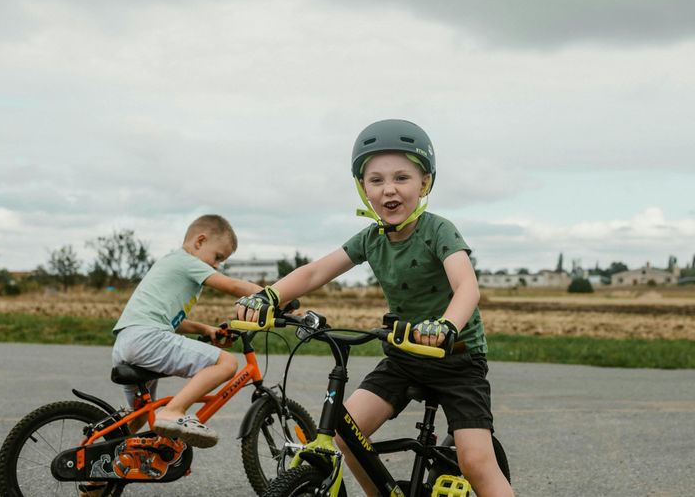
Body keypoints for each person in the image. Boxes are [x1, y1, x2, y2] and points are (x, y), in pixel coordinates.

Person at [235, 120, 513, 497]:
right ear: (363, 188)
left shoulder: (438, 231)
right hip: (403, 357)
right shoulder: (371, 238)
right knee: (347, 436)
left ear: (424, 183)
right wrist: (268, 297)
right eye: (376, 180)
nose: (389, 189)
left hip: (457, 360)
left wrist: (446, 325)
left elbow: (466, 286)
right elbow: (316, 270)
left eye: (402, 177)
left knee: (476, 462)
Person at [111, 214, 261, 448]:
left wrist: (205, 329)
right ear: (199, 241)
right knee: (227, 364)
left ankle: (102, 470)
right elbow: (233, 286)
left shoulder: (173, 263)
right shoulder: (187, 261)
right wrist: (274, 298)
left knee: (139, 415)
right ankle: (174, 411)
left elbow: (172, 320)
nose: (216, 265)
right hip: (147, 338)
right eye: (218, 257)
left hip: (128, 341)